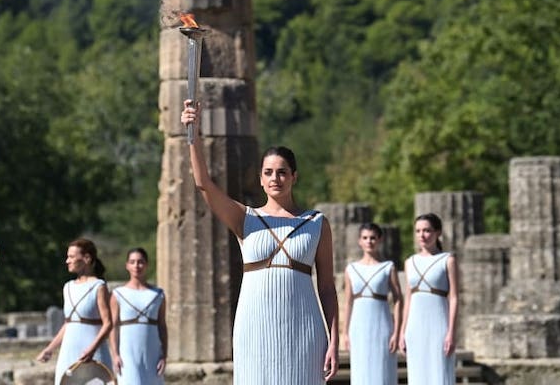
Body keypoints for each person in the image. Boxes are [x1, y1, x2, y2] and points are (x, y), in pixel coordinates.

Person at [180, 100, 340, 384]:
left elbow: (327, 287)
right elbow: (204, 183)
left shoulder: (316, 223)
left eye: (281, 172)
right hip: (254, 325)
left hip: (303, 327)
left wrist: (334, 339)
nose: (275, 178)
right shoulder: (245, 218)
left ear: (294, 176)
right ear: (261, 180)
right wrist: (194, 133)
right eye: (268, 173)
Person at [36, 238, 113, 385]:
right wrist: (50, 349)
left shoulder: (99, 286)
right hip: (69, 351)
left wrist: (92, 349)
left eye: (71, 257)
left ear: (87, 258)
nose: (67, 261)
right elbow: (69, 323)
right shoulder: (68, 287)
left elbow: (108, 323)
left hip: (93, 352)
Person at [399, 213, 458, 385]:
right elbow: (408, 299)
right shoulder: (410, 262)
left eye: (427, 230)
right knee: (418, 375)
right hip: (415, 327)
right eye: (418, 231)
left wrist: (451, 332)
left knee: (440, 374)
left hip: (439, 326)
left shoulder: (447, 260)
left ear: (438, 232)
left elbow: (454, 298)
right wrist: (403, 331)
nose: (422, 235)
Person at [342, 223, 402, 384]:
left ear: (380, 240)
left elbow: (398, 300)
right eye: (365, 238)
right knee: (361, 370)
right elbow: (348, 303)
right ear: (360, 241)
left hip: (382, 326)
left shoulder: (388, 267)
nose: (369, 241)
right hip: (358, 327)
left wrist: (397, 332)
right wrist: (345, 332)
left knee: (382, 369)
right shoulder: (351, 269)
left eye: (373, 238)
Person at [109, 247, 167, 385]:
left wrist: (164, 355)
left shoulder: (158, 294)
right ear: (127, 266)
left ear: (146, 265)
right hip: (127, 352)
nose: (137, 266)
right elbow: (114, 326)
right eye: (132, 262)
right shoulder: (118, 294)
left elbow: (162, 326)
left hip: (152, 351)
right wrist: (115, 354)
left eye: (140, 262)